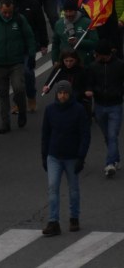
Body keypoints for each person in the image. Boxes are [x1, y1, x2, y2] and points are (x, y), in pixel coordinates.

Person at [41, 80, 91, 236]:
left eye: (65, 93)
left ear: (70, 94)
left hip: (72, 157)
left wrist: (81, 157)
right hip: (54, 156)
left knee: (73, 189)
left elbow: (85, 134)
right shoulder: (50, 110)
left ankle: (74, 218)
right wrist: (44, 155)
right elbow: (45, 134)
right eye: (60, 93)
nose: (62, 96)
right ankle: (53, 221)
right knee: (52, 188)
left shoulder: (78, 110)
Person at [0, 0, 36, 134]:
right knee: (2, 93)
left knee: (19, 88)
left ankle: (22, 110)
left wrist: (31, 55)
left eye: (9, 12)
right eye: (5, 12)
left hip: (16, 62)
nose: (7, 15)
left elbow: (29, 36)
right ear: (0, 9)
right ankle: (5, 123)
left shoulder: (20, 20)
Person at [84, 40, 124, 177]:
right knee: (108, 136)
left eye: (98, 54)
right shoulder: (93, 67)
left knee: (112, 135)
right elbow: (89, 82)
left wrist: (120, 92)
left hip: (115, 105)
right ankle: (116, 158)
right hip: (100, 105)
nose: (96, 56)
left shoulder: (119, 65)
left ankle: (110, 164)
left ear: (104, 54)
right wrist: (89, 90)